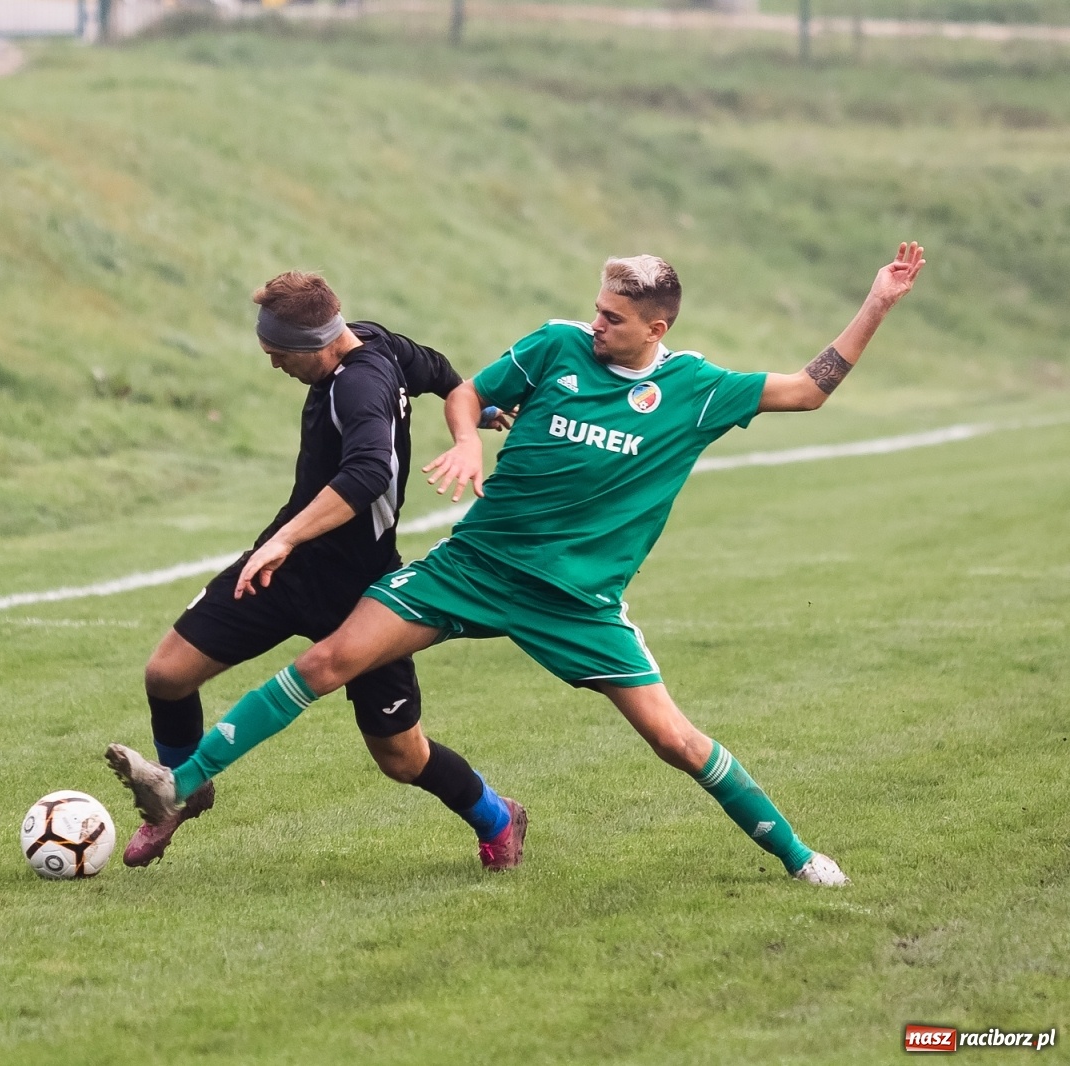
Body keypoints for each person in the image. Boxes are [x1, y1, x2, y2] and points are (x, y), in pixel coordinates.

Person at [108, 243, 926, 884]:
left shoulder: (698, 391)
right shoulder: (555, 348)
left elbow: (809, 389)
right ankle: (181, 786)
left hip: (578, 602)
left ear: (657, 328)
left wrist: (876, 304)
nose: (596, 323)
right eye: (596, 308)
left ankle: (796, 855)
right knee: (328, 661)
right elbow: (468, 390)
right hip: (474, 564)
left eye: (612, 316)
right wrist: (470, 435)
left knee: (674, 740)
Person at [124, 270, 526, 870]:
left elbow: (367, 475)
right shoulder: (374, 340)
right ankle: (181, 790)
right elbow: (437, 369)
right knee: (167, 674)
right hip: (286, 572)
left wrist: (283, 537)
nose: (273, 365)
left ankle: (499, 817)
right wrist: (476, 404)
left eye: (278, 354)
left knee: (401, 758)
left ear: (314, 344)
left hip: (362, 593)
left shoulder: (357, 388)